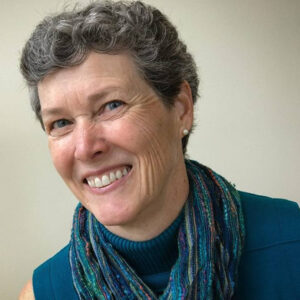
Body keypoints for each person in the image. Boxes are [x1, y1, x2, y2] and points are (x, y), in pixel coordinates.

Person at [19, 1, 300, 299]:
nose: (86, 148)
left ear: (181, 108)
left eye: (111, 105)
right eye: (61, 122)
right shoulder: (43, 293)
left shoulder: (291, 243)